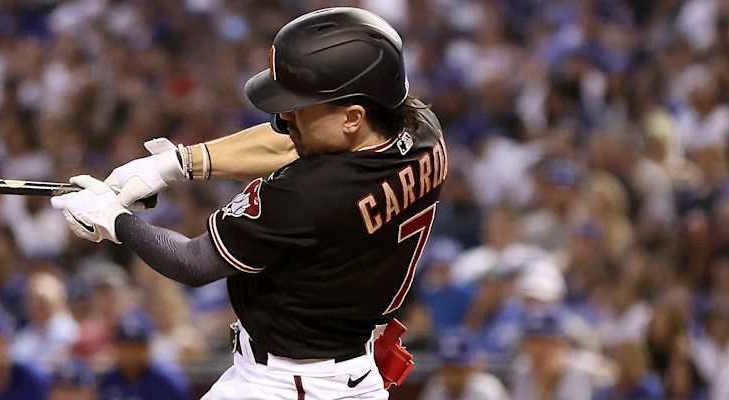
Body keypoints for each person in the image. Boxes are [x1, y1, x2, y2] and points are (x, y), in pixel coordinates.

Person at [52, 7, 444, 399]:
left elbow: (193, 262)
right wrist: (178, 163)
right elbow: (290, 143)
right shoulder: (423, 131)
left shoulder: (307, 194)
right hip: (348, 370)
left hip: (290, 384)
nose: (284, 118)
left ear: (353, 117)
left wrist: (114, 220)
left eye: (299, 107)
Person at [97, 312, 189, 400]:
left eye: (137, 347)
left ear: (148, 348)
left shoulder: (168, 381)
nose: (131, 354)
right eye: (126, 347)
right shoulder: (109, 381)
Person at [419, 331, 509, 400]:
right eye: (448, 367)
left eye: (458, 369)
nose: (452, 374)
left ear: (471, 367)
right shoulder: (435, 387)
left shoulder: (486, 390)